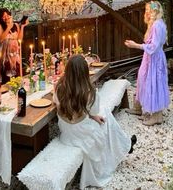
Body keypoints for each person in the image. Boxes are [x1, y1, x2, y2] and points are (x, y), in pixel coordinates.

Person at [53, 54, 136, 189]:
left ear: (67, 70)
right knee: (106, 120)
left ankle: (126, 144)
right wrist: (93, 116)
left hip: (66, 132)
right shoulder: (89, 91)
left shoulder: (59, 87)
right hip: (80, 133)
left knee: (104, 119)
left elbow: (59, 104)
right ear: (85, 72)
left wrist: (92, 117)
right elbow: (93, 110)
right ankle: (125, 146)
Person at [125, 0, 170, 126]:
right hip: (150, 58)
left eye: (149, 10)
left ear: (154, 11)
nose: (146, 13)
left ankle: (157, 116)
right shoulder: (154, 24)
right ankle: (138, 108)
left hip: (154, 59)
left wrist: (136, 45)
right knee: (142, 79)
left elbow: (154, 47)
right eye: (146, 10)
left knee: (154, 83)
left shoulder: (157, 25)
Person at [0, 8, 28, 83]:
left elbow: (19, 39)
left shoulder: (16, 25)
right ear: (0, 18)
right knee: (8, 75)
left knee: (18, 74)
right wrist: (8, 27)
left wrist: (22, 26)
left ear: (10, 15)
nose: (6, 17)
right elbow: (1, 39)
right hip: (6, 54)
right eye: (3, 16)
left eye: (7, 15)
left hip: (15, 54)